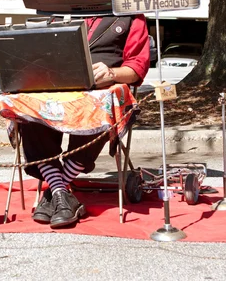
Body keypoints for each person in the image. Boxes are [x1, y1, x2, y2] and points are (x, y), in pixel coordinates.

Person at [19, 14, 150, 229]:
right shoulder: (54, 11)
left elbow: (137, 68)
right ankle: (62, 193)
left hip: (101, 90)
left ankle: (54, 192)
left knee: (99, 105)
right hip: (54, 86)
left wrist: (112, 72)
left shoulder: (130, 16)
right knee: (28, 106)